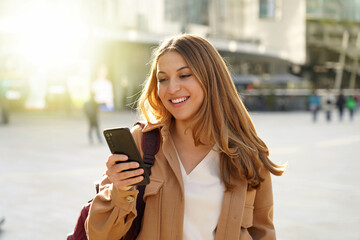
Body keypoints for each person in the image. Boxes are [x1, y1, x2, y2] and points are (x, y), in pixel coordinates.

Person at [85, 34, 285, 239]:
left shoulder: (249, 153)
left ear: (210, 78)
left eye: (184, 75)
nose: (172, 88)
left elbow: (263, 232)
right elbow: (98, 234)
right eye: (163, 79)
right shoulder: (141, 143)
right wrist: (121, 191)